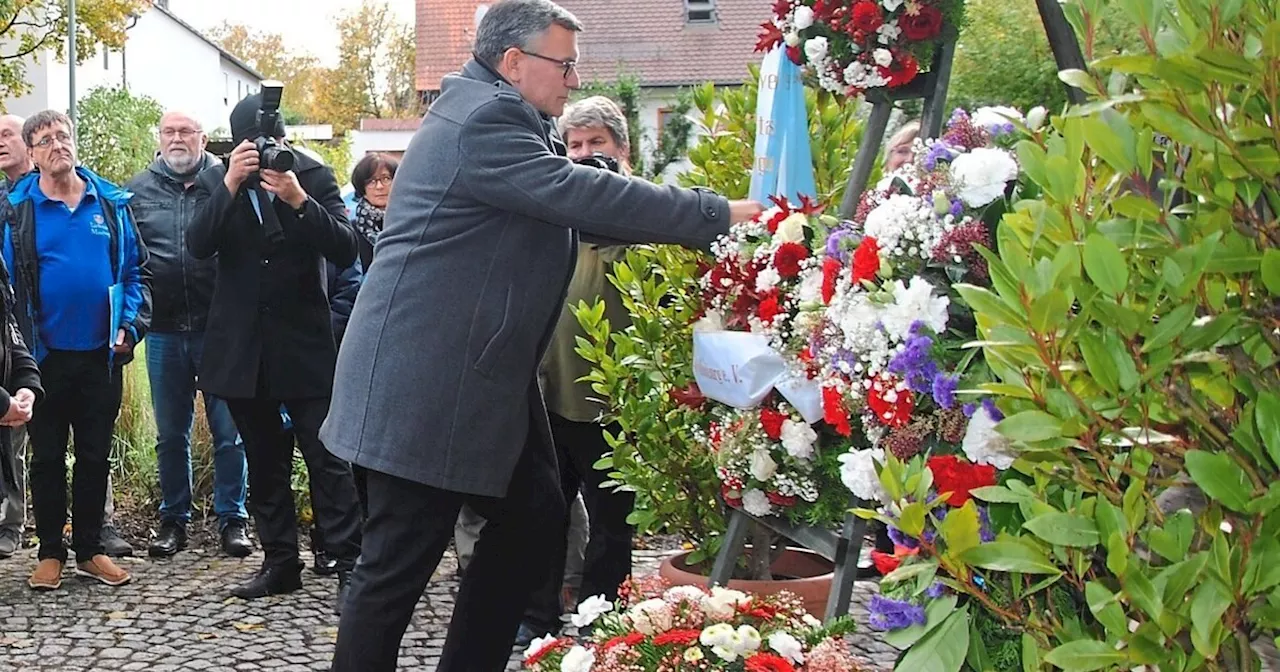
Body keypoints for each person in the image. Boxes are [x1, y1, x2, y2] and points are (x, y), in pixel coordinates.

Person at [323, 1, 763, 668]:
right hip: (430, 384)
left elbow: (569, 210)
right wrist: (717, 214)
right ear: (513, 62)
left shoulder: (500, 116)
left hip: (484, 377)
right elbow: (581, 197)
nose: (574, 78)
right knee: (394, 568)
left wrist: (695, 228)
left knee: (531, 521)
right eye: (565, 63)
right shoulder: (486, 120)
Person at [187, 93, 363, 607]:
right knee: (264, 461)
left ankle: (349, 562)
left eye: (276, 141)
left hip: (304, 343)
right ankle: (280, 563)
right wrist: (230, 184)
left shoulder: (312, 174)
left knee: (328, 459)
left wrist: (298, 201)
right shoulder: (219, 180)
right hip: (244, 348)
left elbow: (346, 247)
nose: (269, 152)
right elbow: (199, 244)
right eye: (257, 144)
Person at [2, 110, 152, 590]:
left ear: (74, 142)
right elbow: (4, 286)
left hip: (100, 356)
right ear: (33, 153)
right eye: (44, 140)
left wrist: (130, 326)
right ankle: (50, 552)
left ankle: (89, 549)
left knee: (94, 454)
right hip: (42, 360)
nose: (56, 145)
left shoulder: (110, 204)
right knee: (46, 458)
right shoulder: (16, 211)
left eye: (62, 135)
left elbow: (135, 275)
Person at [515, 95, 644, 645]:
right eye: (575, 145)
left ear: (624, 151)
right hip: (549, 394)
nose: (586, 155)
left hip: (614, 400)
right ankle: (536, 618)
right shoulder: (554, 213)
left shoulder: (644, 210)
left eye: (598, 144)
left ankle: (602, 618)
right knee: (542, 514)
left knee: (613, 521)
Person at [126, 111, 252, 559]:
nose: (177, 139)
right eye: (169, 132)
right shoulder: (137, 190)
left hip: (220, 328)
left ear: (202, 138)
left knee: (229, 432)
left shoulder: (226, 182)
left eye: (186, 131)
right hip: (163, 329)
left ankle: (232, 520)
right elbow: (129, 259)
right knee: (170, 433)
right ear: (159, 139)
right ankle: (172, 520)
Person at [347, 153, 397, 271]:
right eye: (371, 181)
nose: (379, 186)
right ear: (362, 187)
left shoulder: (410, 223)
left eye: (386, 179)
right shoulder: (351, 231)